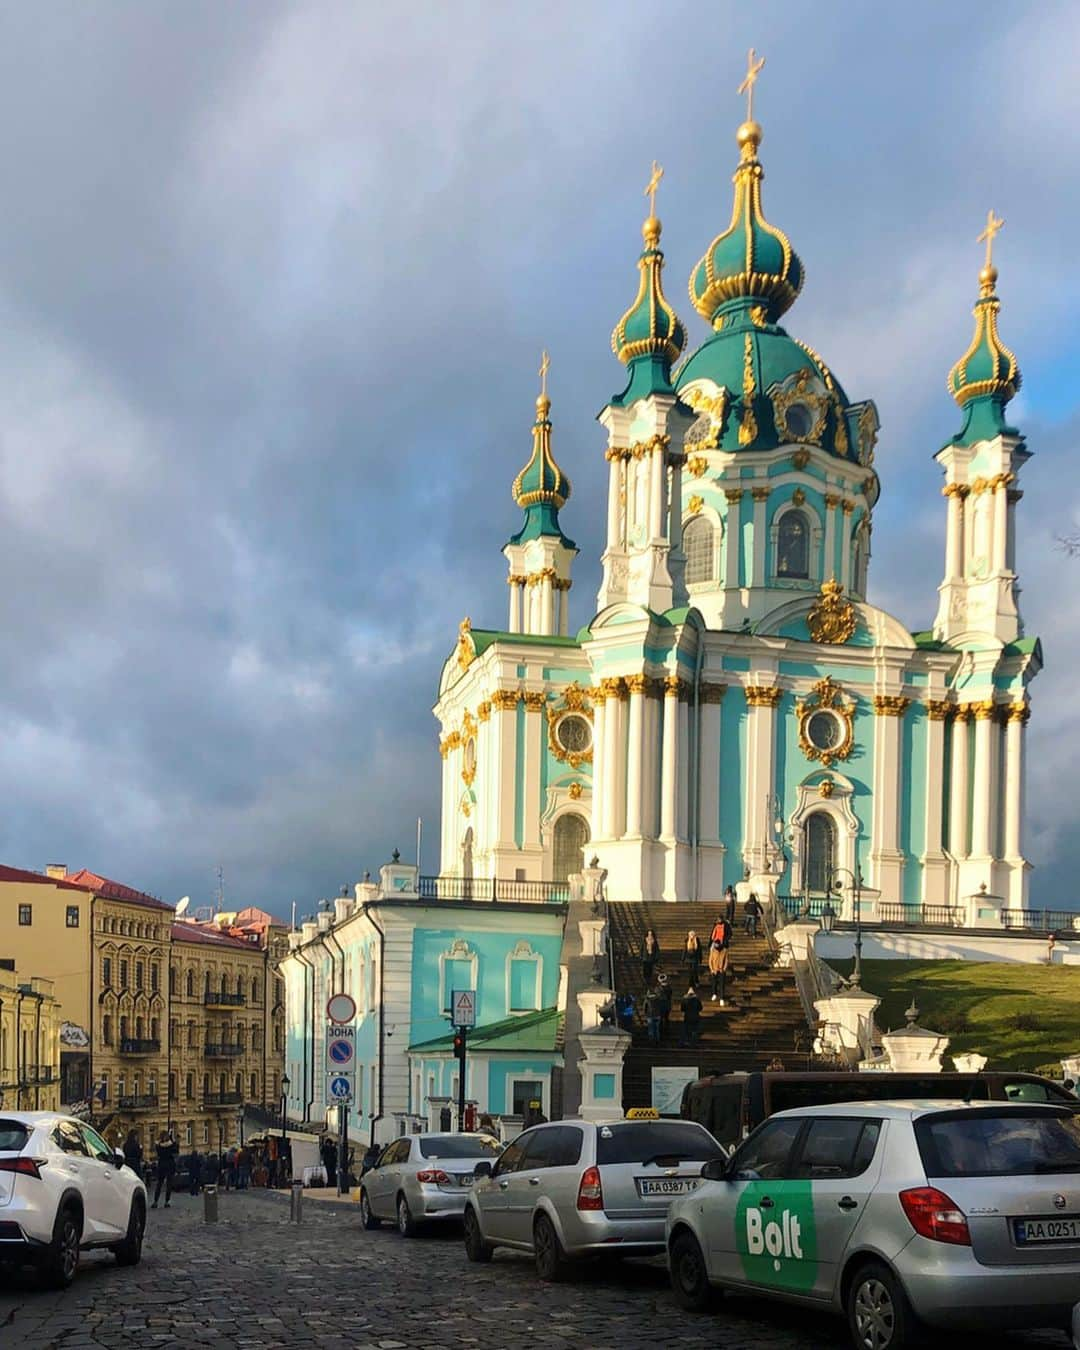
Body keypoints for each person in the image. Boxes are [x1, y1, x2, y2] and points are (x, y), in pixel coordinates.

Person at [151, 1128, 178, 1209]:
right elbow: (175, 1150)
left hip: (162, 1165)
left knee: (159, 1184)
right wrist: (172, 1139)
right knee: (168, 1184)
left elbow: (158, 1150)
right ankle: (167, 1201)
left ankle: (156, 1201)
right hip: (169, 1164)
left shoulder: (158, 1146)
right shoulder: (171, 1145)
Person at [708, 939, 730, 1005]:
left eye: (717, 944)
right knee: (714, 983)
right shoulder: (713, 951)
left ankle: (721, 998)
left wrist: (724, 969)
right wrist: (711, 969)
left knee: (722, 984)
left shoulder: (724, 951)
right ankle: (714, 993)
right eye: (715, 944)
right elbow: (710, 961)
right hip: (714, 970)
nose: (716, 945)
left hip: (721, 970)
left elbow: (726, 961)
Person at [656, 973, 673, 1038]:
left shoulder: (658, 988)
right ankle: (666, 1031)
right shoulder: (669, 988)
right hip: (667, 1005)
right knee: (666, 1019)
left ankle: (661, 1032)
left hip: (660, 1006)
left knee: (660, 1019)